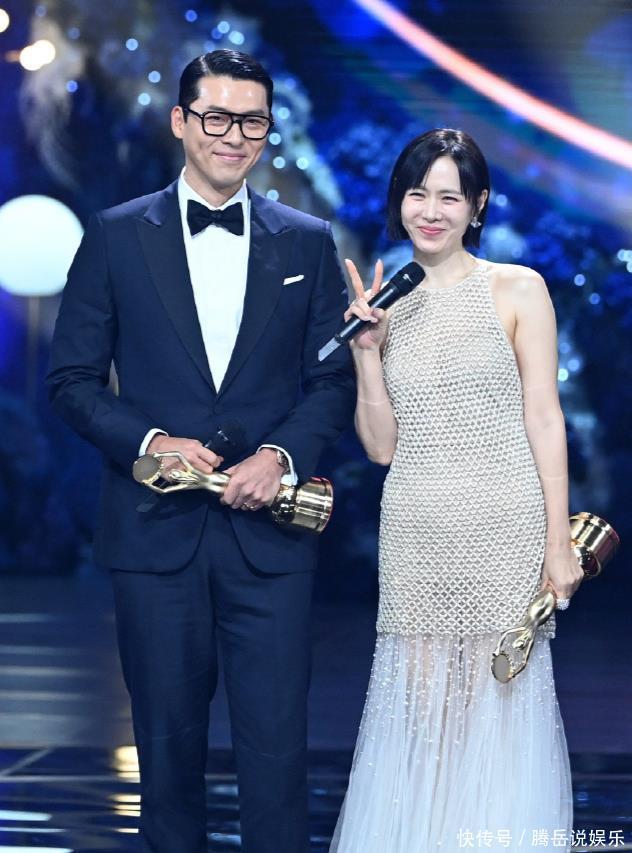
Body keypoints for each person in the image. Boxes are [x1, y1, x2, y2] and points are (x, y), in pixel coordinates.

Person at [47, 49, 354, 853]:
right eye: (216, 117)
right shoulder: (116, 235)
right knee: (167, 762)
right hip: (155, 537)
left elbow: (331, 383)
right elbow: (72, 380)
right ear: (181, 121)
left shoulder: (307, 242)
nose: (233, 135)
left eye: (251, 121)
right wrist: (152, 441)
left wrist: (279, 455)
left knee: (278, 760)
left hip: (270, 541)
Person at [329, 128, 582, 852]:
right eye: (417, 194)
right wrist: (367, 354)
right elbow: (381, 447)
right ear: (398, 202)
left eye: (449, 196)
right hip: (417, 527)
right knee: (419, 713)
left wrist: (557, 539)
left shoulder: (517, 288)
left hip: (504, 524)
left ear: (478, 205)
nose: (431, 211)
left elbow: (544, 416)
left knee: (494, 706)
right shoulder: (387, 304)